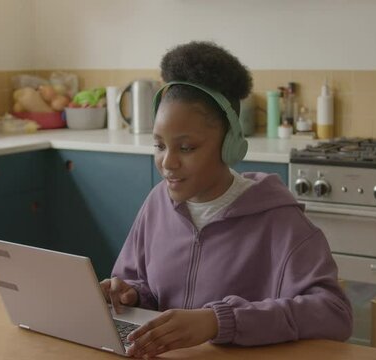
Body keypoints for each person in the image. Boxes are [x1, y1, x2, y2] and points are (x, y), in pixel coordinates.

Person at [100, 41, 352, 358]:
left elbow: (334, 313)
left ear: (230, 144)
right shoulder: (157, 204)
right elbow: (143, 284)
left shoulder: (279, 220)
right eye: (159, 145)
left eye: (187, 148)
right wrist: (131, 295)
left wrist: (219, 322)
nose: (168, 162)